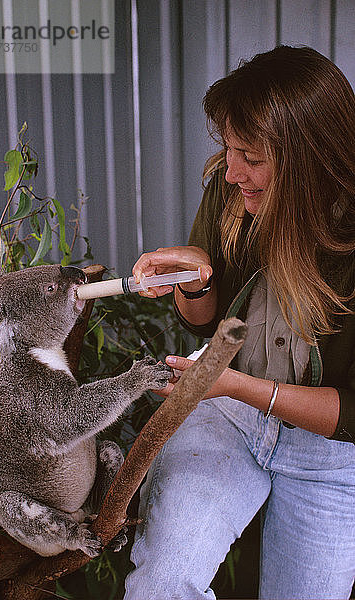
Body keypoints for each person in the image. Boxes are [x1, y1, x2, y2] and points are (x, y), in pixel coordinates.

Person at [123, 45, 355, 600]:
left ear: (308, 157)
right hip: (226, 414)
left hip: (328, 453)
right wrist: (197, 281)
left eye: (250, 157)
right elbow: (206, 327)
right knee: (161, 583)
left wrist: (233, 384)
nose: (231, 172)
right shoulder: (230, 193)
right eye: (228, 149)